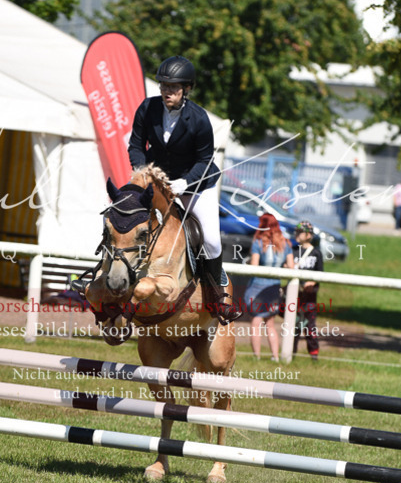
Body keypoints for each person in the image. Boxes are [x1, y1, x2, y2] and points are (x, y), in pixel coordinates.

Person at [128, 54, 240, 323]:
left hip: (196, 185)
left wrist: (186, 182)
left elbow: (205, 160)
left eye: (174, 87)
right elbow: (135, 145)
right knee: (126, 218)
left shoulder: (199, 118)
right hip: (158, 184)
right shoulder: (147, 108)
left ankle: (217, 298)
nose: (168, 91)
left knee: (211, 241)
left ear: (186, 89)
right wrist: (143, 174)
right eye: (164, 86)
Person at [243, 215, 293, 362]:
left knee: (256, 322)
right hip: (273, 287)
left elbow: (254, 266)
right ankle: (275, 356)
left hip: (257, 286)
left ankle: (256, 357)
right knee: (270, 324)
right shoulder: (286, 244)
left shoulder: (259, 242)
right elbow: (291, 267)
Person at [289, 220, 324, 359]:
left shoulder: (316, 253)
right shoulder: (293, 250)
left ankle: (314, 353)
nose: (296, 234)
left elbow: (320, 273)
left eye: (300, 232)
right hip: (294, 294)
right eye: (296, 231)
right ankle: (291, 353)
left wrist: (312, 282)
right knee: (293, 325)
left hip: (309, 296)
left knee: (310, 326)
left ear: (309, 235)